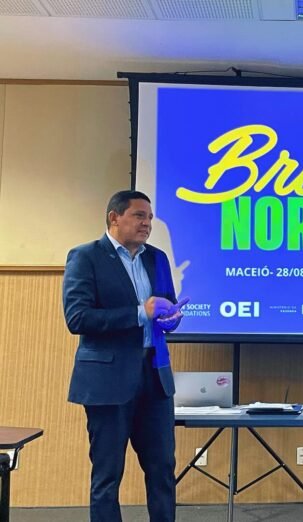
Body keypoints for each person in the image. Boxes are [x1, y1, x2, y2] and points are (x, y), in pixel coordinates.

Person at [63, 190, 187, 521]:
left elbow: (163, 309)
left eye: (149, 217)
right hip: (107, 381)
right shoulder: (86, 257)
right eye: (139, 215)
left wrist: (171, 319)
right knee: (108, 475)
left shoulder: (157, 258)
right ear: (114, 217)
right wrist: (140, 312)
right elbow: (78, 318)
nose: (147, 223)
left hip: (155, 377)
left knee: (163, 469)